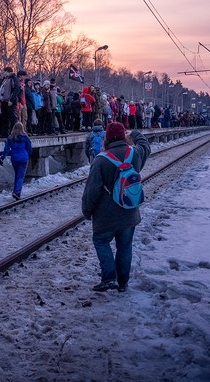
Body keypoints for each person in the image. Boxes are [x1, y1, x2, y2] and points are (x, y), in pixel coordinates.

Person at [81, 122, 150, 293]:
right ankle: (123, 283)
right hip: (129, 212)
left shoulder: (101, 160)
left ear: (107, 139)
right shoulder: (134, 155)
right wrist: (134, 133)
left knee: (101, 241)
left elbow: (92, 190)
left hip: (106, 216)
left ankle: (109, 278)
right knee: (125, 246)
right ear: (123, 137)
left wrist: (87, 211)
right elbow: (145, 146)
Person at [0, 122, 33, 200]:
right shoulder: (25, 137)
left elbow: (6, 149)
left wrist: (2, 158)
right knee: (20, 176)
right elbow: (29, 148)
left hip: (14, 158)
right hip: (24, 158)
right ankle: (17, 192)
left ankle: (15, 191)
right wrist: (29, 155)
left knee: (17, 175)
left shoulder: (11, 138)